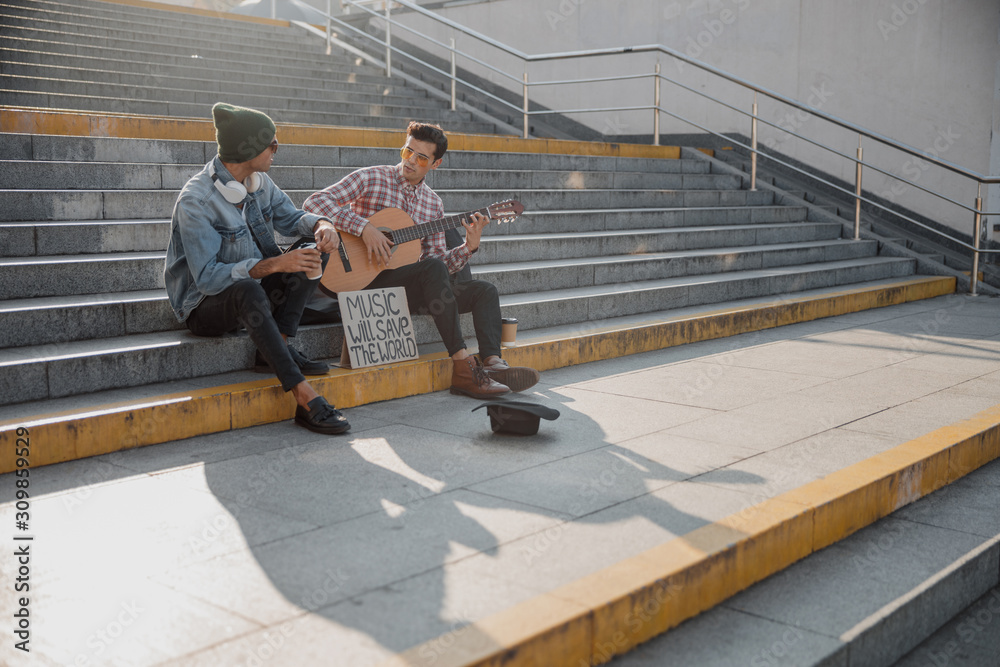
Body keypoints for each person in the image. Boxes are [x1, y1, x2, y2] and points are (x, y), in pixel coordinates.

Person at [302, 121, 539, 399]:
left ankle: (493, 363)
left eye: (421, 157)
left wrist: (468, 247)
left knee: (484, 290)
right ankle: (463, 368)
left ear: (435, 164)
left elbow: (436, 262)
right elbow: (314, 203)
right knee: (434, 269)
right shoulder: (372, 178)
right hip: (362, 283)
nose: (410, 161)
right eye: (407, 152)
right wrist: (364, 229)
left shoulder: (433, 203)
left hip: (406, 287)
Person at [164, 102, 350, 435]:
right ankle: (303, 395)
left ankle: (275, 346)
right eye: (272, 144)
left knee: (313, 250)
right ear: (247, 148)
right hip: (205, 307)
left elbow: (291, 218)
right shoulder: (197, 201)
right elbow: (207, 278)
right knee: (248, 288)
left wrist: (322, 224)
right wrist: (276, 263)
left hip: (255, 288)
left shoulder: (258, 181)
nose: (276, 150)